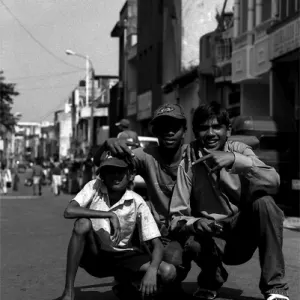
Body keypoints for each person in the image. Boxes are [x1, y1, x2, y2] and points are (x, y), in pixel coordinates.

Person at [169, 102, 289, 300]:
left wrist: (235, 160)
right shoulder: (189, 160)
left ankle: (275, 288)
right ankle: (211, 280)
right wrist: (196, 223)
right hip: (213, 236)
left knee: (265, 203)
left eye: (216, 127)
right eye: (203, 128)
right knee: (191, 238)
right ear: (195, 132)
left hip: (242, 232)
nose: (210, 134)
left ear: (228, 130)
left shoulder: (239, 149)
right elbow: (176, 215)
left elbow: (274, 181)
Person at [94, 104, 191, 281]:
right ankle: (126, 278)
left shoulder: (195, 155)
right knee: (170, 266)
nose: (169, 132)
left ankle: (209, 280)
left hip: (191, 228)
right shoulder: (146, 155)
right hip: (162, 232)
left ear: (184, 130)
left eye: (175, 127)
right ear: (155, 131)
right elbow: (102, 163)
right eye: (163, 127)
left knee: (192, 251)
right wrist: (105, 145)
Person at [60, 151, 176, 300]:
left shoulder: (137, 201)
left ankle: (127, 284)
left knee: (168, 271)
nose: (115, 176)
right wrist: (109, 214)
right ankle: (68, 292)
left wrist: (152, 270)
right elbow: (69, 211)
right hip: (95, 256)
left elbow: (157, 244)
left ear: (130, 174)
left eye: (120, 171)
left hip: (123, 257)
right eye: (109, 171)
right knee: (82, 224)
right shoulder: (94, 187)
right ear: (102, 175)